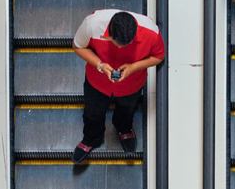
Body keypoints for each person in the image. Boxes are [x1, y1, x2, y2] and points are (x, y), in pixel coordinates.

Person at [71, 10, 165, 164]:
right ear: (110, 33)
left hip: (132, 84)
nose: (121, 49)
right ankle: (91, 138)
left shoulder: (151, 31)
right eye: (118, 44)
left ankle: (123, 128)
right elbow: (78, 46)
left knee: (128, 110)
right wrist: (100, 65)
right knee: (92, 112)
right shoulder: (92, 24)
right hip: (97, 81)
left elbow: (158, 56)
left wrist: (133, 67)